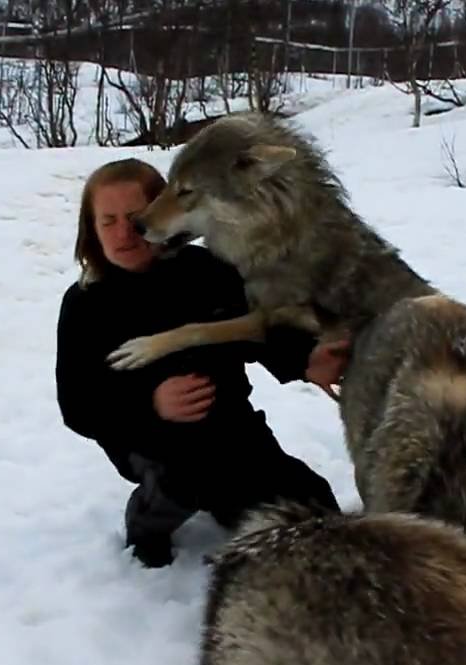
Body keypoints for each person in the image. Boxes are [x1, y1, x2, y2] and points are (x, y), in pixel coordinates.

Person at [55, 158, 348, 568]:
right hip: (147, 440)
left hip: (231, 426)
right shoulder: (84, 304)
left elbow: (259, 330)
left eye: (135, 218)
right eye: (108, 221)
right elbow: (79, 403)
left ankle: (235, 501)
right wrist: (150, 404)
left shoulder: (209, 270)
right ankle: (147, 517)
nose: (124, 233)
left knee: (312, 507)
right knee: (188, 476)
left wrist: (304, 359)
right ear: (91, 229)